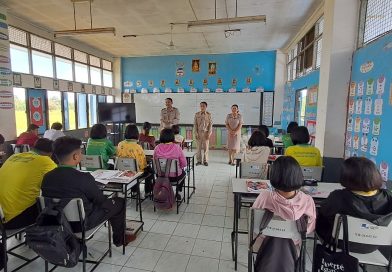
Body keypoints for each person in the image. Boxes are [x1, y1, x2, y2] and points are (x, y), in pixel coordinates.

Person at [41, 136, 133, 247]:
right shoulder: (83, 177)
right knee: (119, 202)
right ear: (75, 157)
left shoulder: (46, 177)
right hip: (82, 224)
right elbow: (100, 201)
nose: (82, 155)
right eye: (81, 152)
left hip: (55, 222)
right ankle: (120, 240)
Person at [316, 157, 392, 253]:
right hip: (373, 246)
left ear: (347, 176)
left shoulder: (339, 196)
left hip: (339, 243)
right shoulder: (388, 196)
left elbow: (324, 211)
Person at [252, 156, 316, 249]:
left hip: (265, 244)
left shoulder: (265, 197)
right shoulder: (307, 200)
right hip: (293, 246)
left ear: (273, 175)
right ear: (298, 175)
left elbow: (254, 222)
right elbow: (309, 228)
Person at [0, 138, 56, 229]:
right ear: (51, 153)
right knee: (52, 207)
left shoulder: (13, 156)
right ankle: (47, 239)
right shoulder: (45, 161)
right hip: (11, 220)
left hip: (2, 213)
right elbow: (60, 180)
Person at [117, 125, 153, 195]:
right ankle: (148, 192)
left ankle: (134, 191)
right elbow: (143, 164)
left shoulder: (120, 144)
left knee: (132, 168)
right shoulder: (137, 147)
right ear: (137, 134)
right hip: (135, 174)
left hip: (123, 172)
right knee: (149, 171)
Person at [154, 129, 187, 200]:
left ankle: (164, 190)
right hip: (174, 177)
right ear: (172, 137)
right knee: (184, 173)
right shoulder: (177, 147)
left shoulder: (156, 148)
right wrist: (179, 168)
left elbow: (154, 162)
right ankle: (178, 192)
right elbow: (184, 163)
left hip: (161, 176)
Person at [194, 101, 212, 166]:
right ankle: (199, 161)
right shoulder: (197, 114)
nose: (202, 107)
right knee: (198, 148)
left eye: (203, 106)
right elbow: (195, 124)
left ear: (206, 107)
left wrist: (209, 134)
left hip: (206, 133)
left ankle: (205, 161)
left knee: (206, 148)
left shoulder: (209, 115)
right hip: (199, 132)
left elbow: (210, 125)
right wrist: (195, 133)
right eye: (201, 106)